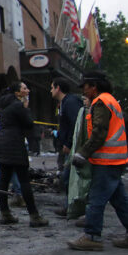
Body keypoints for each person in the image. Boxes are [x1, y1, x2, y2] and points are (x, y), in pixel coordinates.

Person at [67, 71, 128, 251]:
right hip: (116, 158)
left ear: (93, 86)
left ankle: (92, 236)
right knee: (120, 200)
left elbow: (99, 132)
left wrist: (83, 153)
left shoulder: (101, 102)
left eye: (85, 87)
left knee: (96, 199)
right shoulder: (111, 101)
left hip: (107, 160)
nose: (83, 90)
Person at [0, 82, 48, 227]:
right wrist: (26, 108)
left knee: (4, 181)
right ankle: (34, 216)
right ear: (17, 93)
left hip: (3, 144)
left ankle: (5, 213)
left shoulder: (4, 105)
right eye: (24, 88)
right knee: (24, 181)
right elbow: (29, 123)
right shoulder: (18, 105)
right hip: (15, 145)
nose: (27, 90)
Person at [50, 78, 84, 216]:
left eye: (52, 87)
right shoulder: (64, 103)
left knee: (67, 177)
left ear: (58, 88)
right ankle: (71, 205)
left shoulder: (70, 102)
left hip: (73, 147)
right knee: (67, 177)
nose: (50, 90)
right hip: (68, 145)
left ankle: (74, 206)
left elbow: (75, 123)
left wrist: (69, 143)